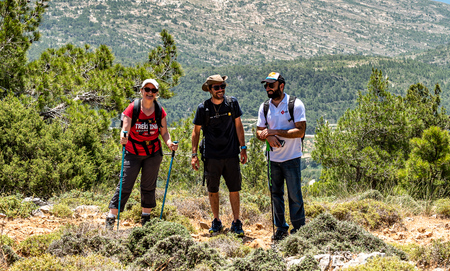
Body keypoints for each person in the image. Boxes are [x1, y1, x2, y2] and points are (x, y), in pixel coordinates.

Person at [106, 78, 178, 229]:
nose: (150, 93)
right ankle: (111, 218)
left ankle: (146, 219)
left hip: (153, 153)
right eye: (147, 90)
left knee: (148, 186)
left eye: (153, 90)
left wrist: (169, 143)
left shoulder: (159, 111)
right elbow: (125, 127)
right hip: (132, 152)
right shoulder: (133, 108)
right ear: (142, 91)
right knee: (125, 184)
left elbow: (164, 133)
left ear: (157, 93)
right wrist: (123, 136)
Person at [191, 74, 248, 237]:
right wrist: (194, 154)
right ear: (209, 89)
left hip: (231, 154)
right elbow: (195, 132)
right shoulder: (203, 108)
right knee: (213, 190)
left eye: (222, 86)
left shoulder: (232, 103)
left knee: (234, 189)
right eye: (216, 87)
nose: (220, 90)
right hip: (211, 156)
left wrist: (243, 147)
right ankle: (216, 220)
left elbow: (239, 125)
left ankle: (237, 221)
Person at [255, 72, 306, 241]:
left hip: (292, 157)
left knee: (294, 195)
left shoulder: (295, 104)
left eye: (271, 85)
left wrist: (275, 132)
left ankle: (299, 229)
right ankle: (281, 228)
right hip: (273, 159)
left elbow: (300, 131)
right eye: (266, 86)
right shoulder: (264, 107)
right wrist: (267, 136)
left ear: (281, 86)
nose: (268, 89)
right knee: (275, 195)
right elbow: (258, 131)